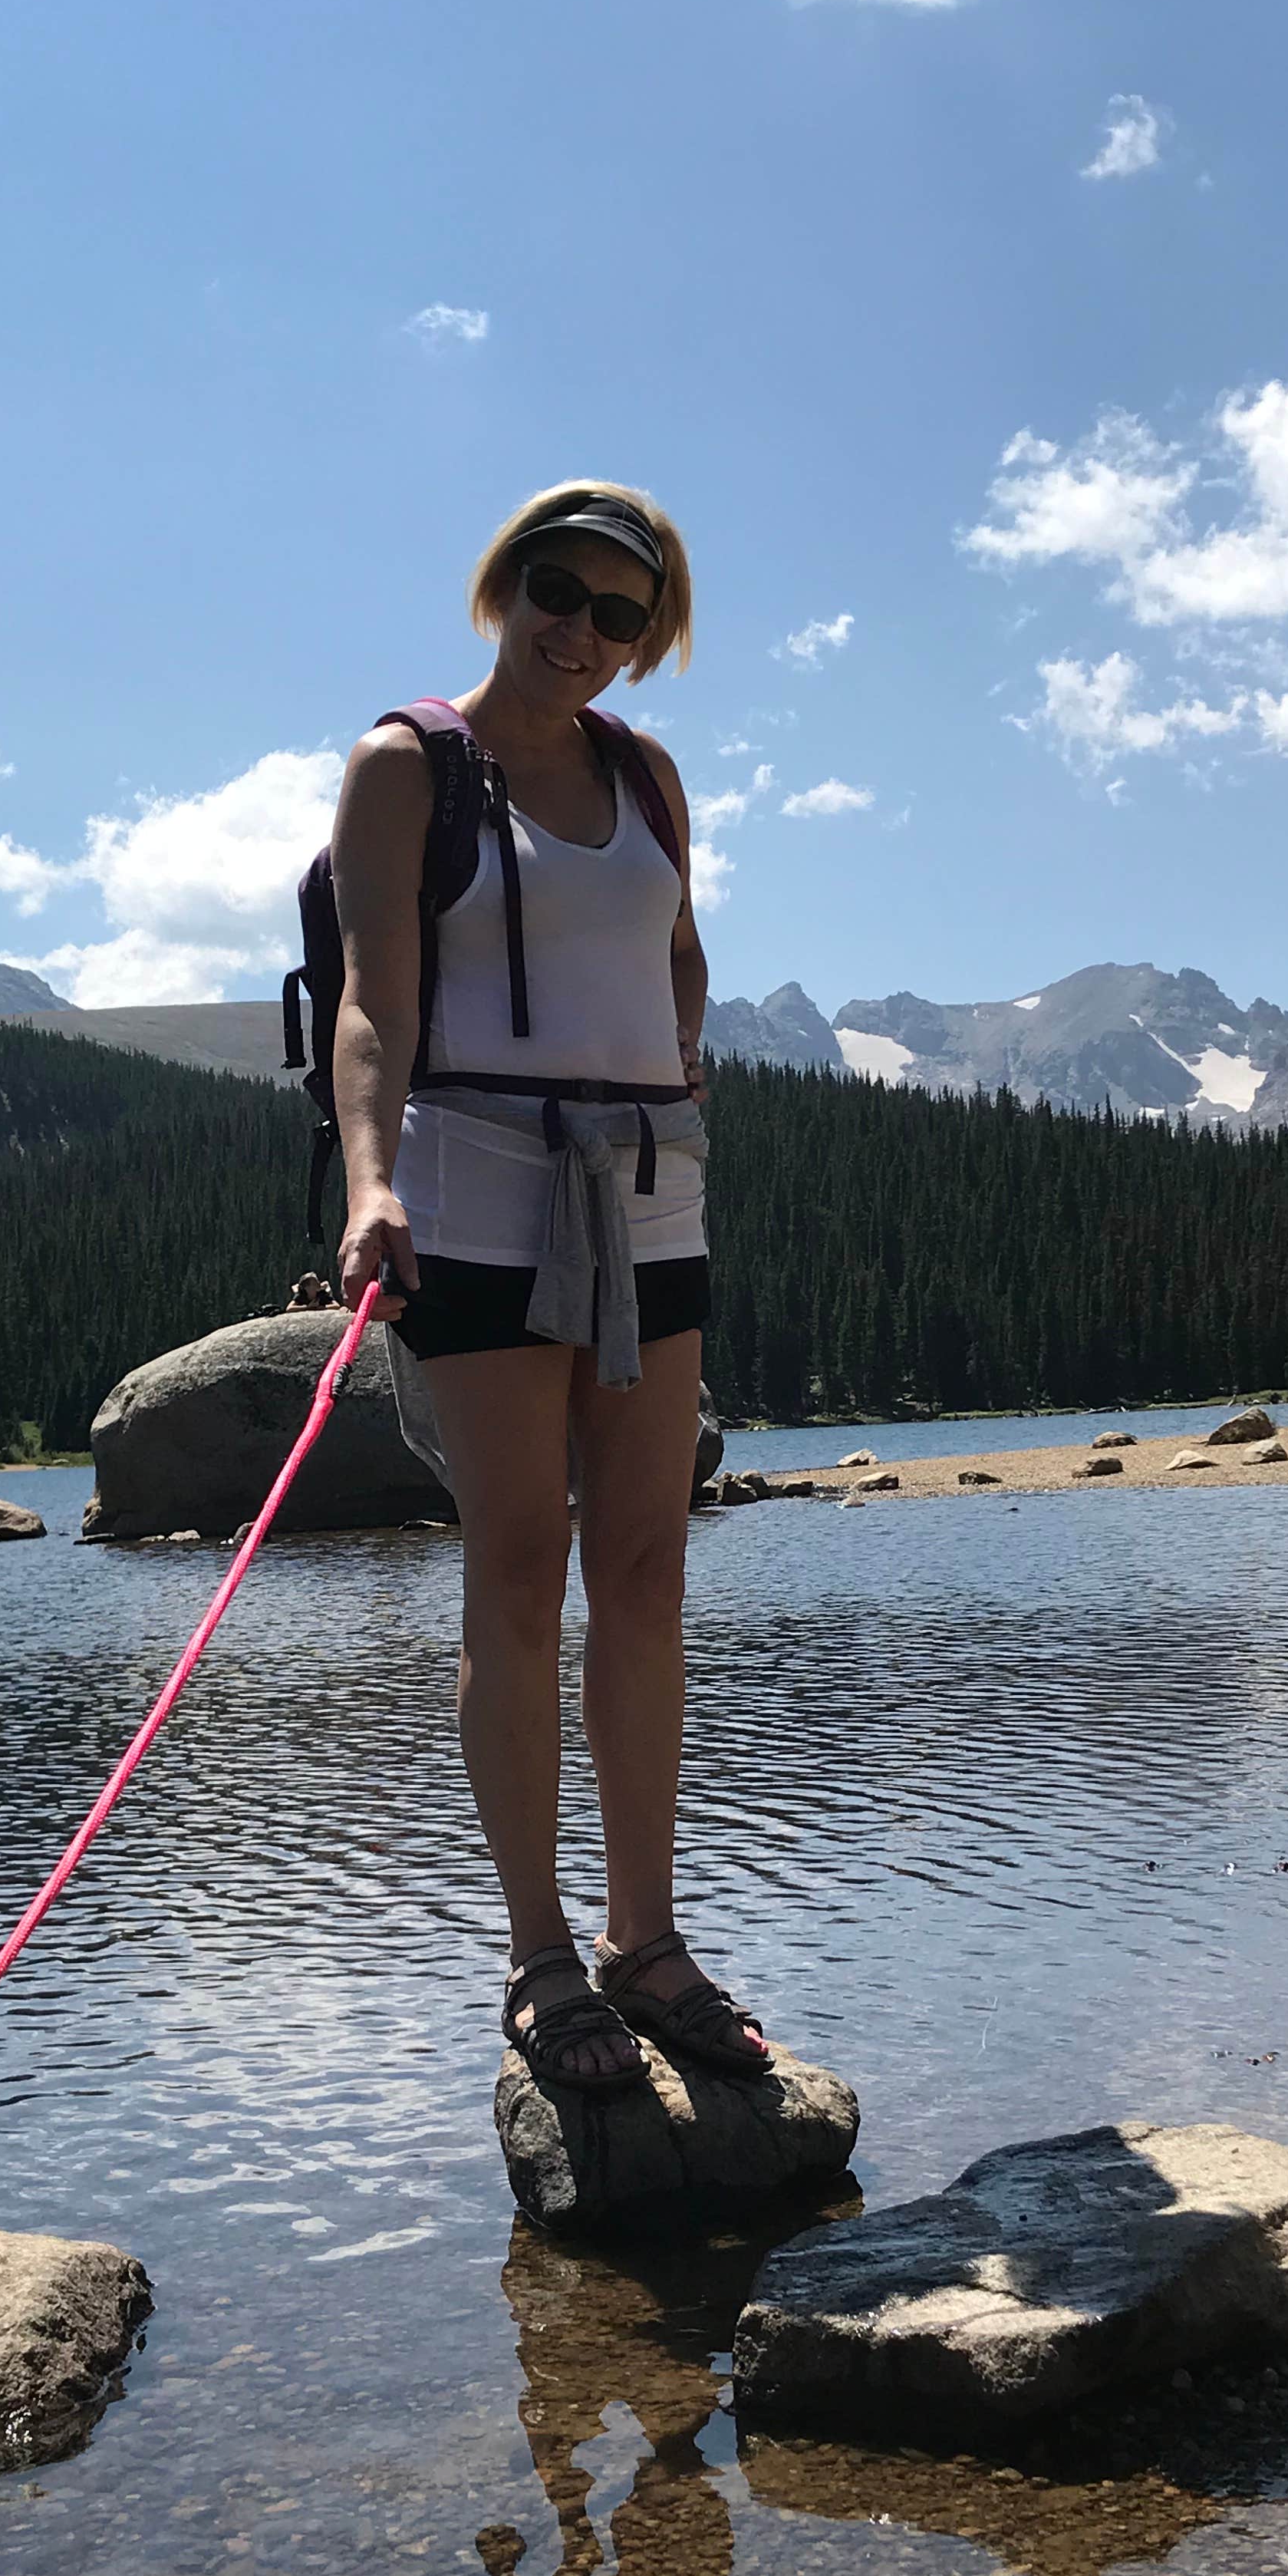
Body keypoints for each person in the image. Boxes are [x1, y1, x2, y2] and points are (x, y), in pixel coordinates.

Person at [329, 481, 770, 2095]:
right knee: (520, 1566)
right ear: (501, 583)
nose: (579, 629)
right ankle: (540, 1956)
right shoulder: (407, 765)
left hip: (648, 1185)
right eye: (554, 589)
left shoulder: (646, 778)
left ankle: (648, 1942)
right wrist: (375, 1183)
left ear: (653, 639)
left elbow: (677, 951)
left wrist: (688, 1049)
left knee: (646, 1567)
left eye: (620, 612)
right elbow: (376, 1005)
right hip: (478, 1186)